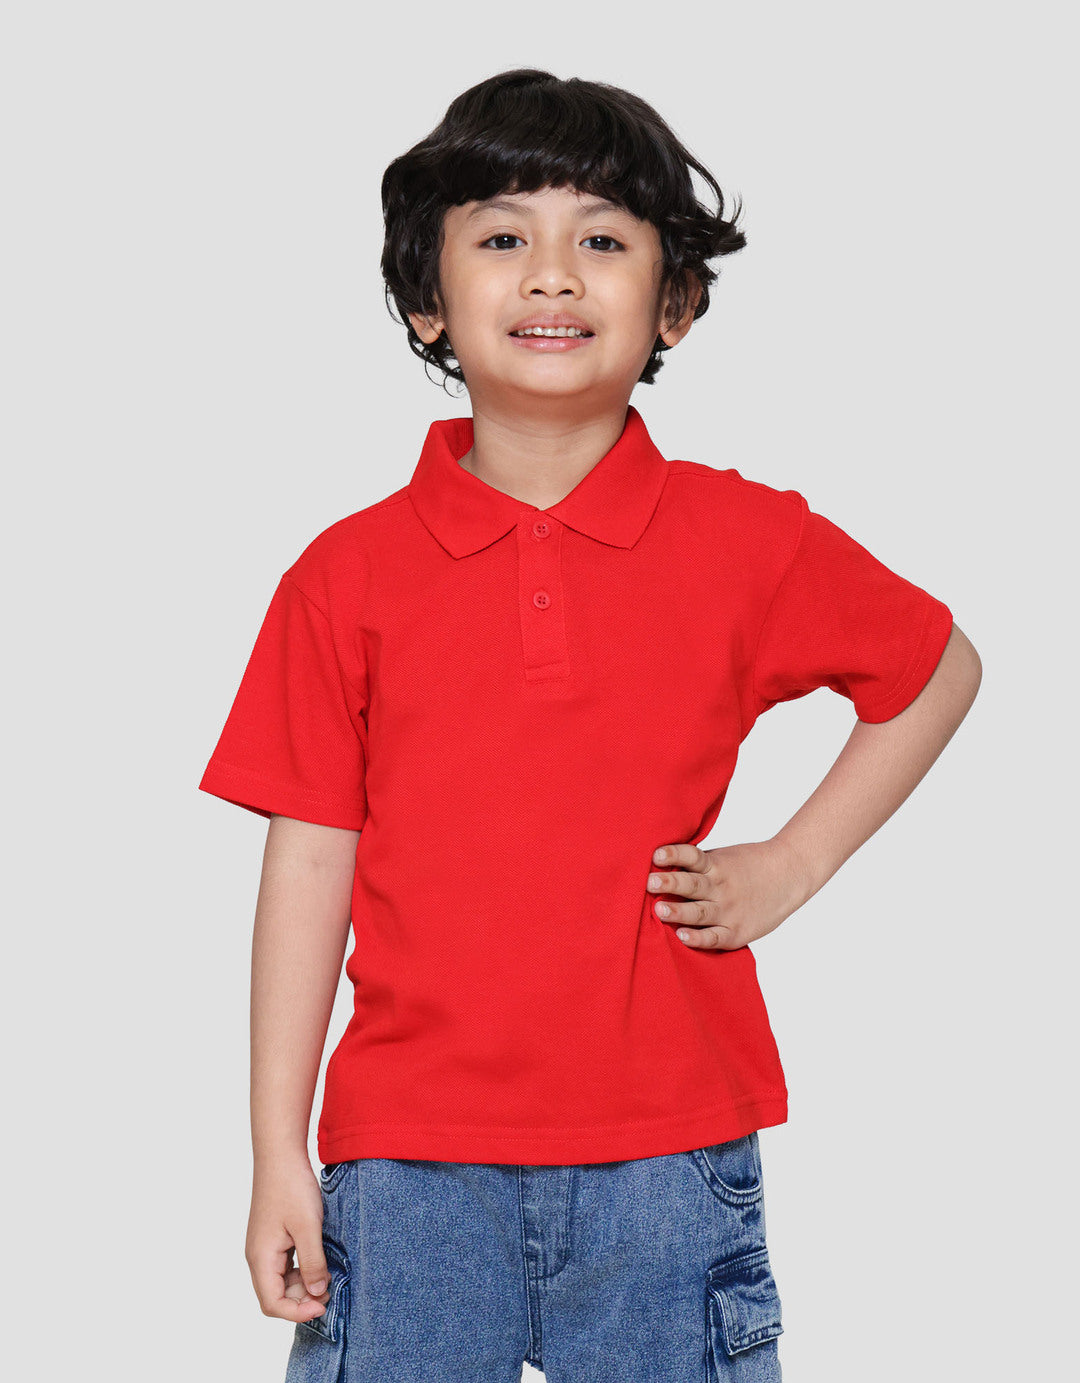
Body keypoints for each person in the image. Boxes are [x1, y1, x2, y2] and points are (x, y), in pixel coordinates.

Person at [198, 68, 981, 1383]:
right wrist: (279, 1148)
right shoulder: (344, 577)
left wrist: (789, 866)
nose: (553, 275)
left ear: (676, 301)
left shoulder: (746, 541)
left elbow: (935, 668)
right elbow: (308, 861)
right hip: (405, 1165)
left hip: (668, 1156)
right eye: (504, 237)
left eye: (604, 240)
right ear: (427, 300)